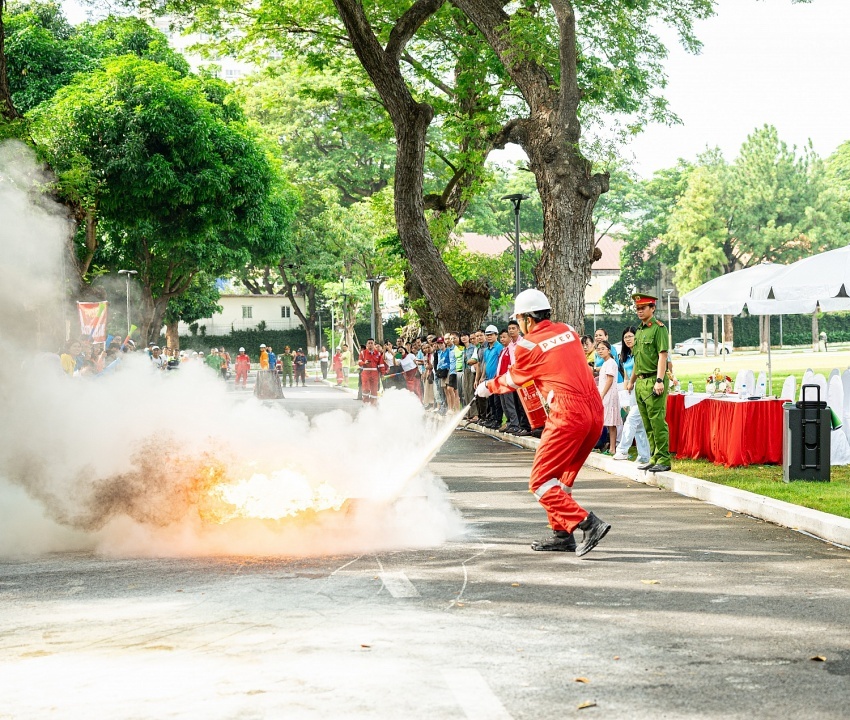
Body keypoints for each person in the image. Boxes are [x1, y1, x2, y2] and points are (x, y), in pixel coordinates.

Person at [476, 288, 610, 557]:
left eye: (519, 321)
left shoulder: (527, 345)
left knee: (539, 482)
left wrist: (486, 387)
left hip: (568, 412)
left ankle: (588, 523)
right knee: (561, 481)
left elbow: (514, 380)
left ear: (526, 318)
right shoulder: (569, 331)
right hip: (594, 410)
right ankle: (562, 535)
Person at [626, 293, 672, 473]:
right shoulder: (639, 330)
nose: (639, 311)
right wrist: (631, 381)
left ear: (652, 309)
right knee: (647, 423)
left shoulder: (658, 328)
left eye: (643, 308)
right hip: (641, 382)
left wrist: (660, 380)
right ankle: (654, 457)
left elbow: (663, 355)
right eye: (637, 308)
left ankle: (664, 458)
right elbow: (638, 359)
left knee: (658, 422)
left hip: (654, 379)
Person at [612, 327, 651, 464]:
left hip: (643, 388)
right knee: (639, 425)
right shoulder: (626, 355)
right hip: (631, 391)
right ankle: (644, 456)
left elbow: (639, 369)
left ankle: (622, 450)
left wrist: (632, 383)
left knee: (631, 420)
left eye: (630, 336)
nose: (628, 339)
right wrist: (626, 391)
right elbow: (627, 375)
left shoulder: (640, 352)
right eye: (625, 337)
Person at [595, 340, 621, 454]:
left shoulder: (611, 363)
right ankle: (609, 447)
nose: (600, 351)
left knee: (611, 423)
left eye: (602, 349)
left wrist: (602, 395)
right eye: (598, 349)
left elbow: (609, 380)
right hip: (606, 394)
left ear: (609, 350)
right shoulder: (605, 363)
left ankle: (612, 448)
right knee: (608, 422)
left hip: (609, 395)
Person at [481, 325, 503, 428]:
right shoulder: (486, 350)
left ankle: (498, 420)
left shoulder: (499, 347)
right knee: (491, 401)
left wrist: (497, 375)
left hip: (497, 379)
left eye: (491, 335)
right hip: (488, 379)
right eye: (487, 335)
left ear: (496, 335)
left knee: (497, 401)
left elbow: (500, 362)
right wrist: (482, 376)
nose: (489, 337)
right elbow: (485, 364)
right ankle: (493, 418)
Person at [358, 338, 385, 404]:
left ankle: (373, 405)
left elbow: (381, 364)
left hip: (374, 373)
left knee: (374, 390)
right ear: (367, 344)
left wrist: (382, 373)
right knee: (366, 389)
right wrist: (364, 362)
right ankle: (366, 403)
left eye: (371, 343)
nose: (370, 344)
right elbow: (359, 362)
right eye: (369, 343)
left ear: (374, 344)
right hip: (366, 373)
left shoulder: (378, 354)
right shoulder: (363, 353)